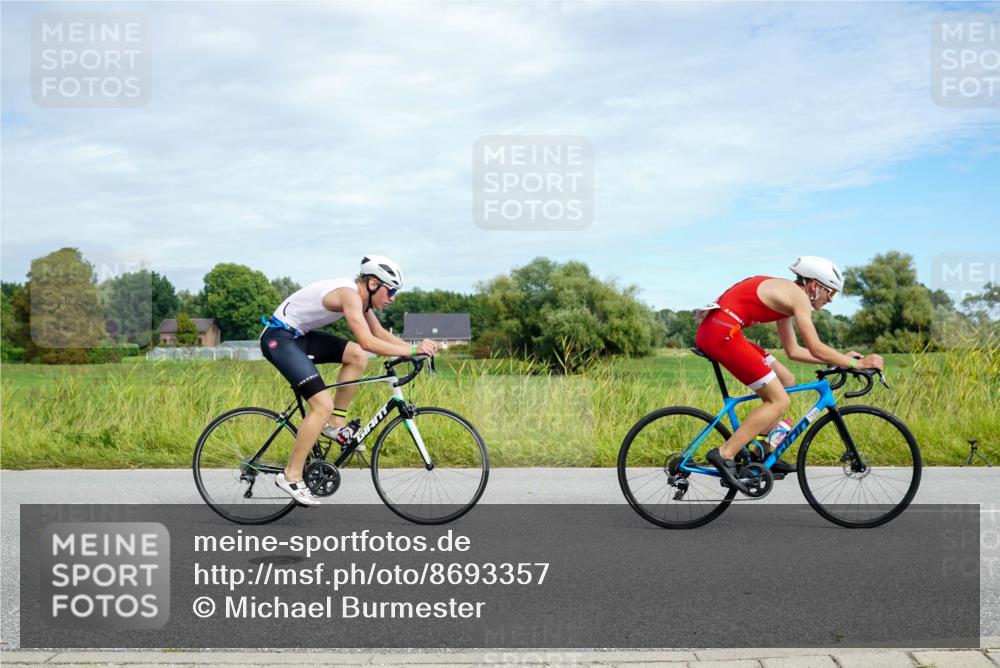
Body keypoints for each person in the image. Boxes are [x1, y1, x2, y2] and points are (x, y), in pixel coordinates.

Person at [694, 256, 883, 493]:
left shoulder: (787, 296)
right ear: (814, 286)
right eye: (830, 292)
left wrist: (840, 360)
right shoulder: (798, 297)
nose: (830, 300)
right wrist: (857, 363)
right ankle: (725, 453)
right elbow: (816, 347)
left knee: (786, 380)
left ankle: (761, 452)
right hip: (722, 334)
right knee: (779, 400)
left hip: (720, 330)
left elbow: (793, 351)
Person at [260, 255, 438, 505]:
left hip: (299, 337)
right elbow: (368, 341)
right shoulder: (349, 295)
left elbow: (378, 333)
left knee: (356, 356)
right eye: (391, 291)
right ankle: (291, 475)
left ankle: (334, 423)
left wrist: (414, 351)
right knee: (322, 405)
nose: (393, 298)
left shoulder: (362, 302)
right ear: (373, 284)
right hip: (278, 338)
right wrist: (411, 350)